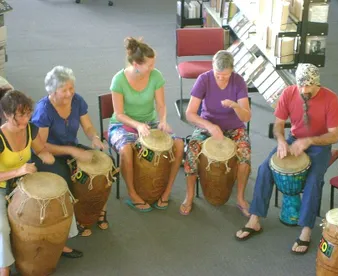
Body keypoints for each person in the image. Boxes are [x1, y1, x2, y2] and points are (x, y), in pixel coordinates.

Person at [235, 63, 338, 255]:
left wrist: (309, 140)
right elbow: (278, 125)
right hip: (293, 140)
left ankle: (306, 229)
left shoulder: (330, 98)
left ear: (317, 84)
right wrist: (281, 140)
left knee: (313, 180)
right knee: (264, 168)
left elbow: (334, 135)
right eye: (301, 86)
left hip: (320, 145)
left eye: (308, 86)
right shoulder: (289, 93)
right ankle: (255, 219)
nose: (304, 90)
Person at [108, 37, 184, 212]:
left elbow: (161, 105)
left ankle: (166, 192)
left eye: (153, 64)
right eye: (148, 65)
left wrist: (163, 120)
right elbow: (118, 114)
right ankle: (133, 195)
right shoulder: (118, 80)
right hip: (122, 124)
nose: (152, 68)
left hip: (150, 123)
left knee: (178, 144)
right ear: (135, 64)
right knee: (127, 149)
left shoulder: (156, 76)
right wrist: (137, 125)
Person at [31, 66, 106, 239]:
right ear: (52, 91)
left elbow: (87, 126)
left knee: (104, 164)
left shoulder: (77, 101)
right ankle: (72, 220)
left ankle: (98, 209)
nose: (69, 93)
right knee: (66, 177)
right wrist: (72, 151)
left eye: (71, 88)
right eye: (64, 90)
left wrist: (94, 137)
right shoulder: (44, 110)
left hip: (71, 149)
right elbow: (40, 145)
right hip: (46, 155)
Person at [180, 50, 252, 216]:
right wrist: (210, 126)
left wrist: (235, 106)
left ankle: (240, 198)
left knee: (245, 155)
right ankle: (189, 196)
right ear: (212, 68)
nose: (221, 78)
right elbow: (190, 113)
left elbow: (246, 116)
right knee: (191, 150)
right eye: (218, 74)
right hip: (208, 124)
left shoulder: (238, 81)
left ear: (232, 71)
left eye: (225, 75)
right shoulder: (204, 79)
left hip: (234, 127)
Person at [0, 90, 55, 275]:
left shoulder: (30, 128)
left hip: (26, 183)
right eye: (21, 115)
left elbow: (39, 149)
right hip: (2, 188)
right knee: (2, 229)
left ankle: (59, 244)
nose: (26, 118)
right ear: (7, 115)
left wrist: (47, 157)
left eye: (28, 113)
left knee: (56, 201)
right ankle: (4, 267)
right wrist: (19, 170)